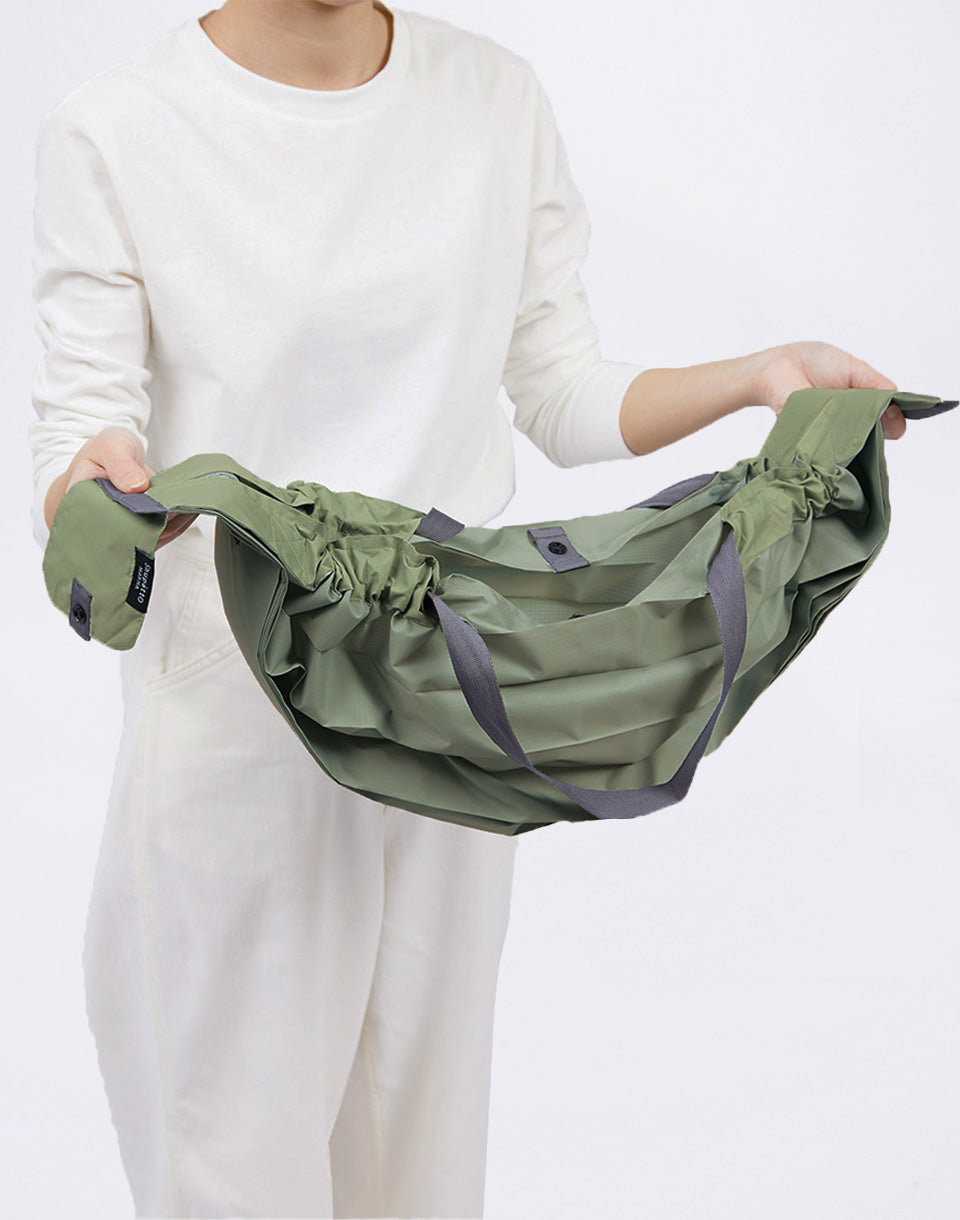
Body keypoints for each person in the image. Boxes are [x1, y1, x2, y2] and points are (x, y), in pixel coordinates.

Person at [28, 2, 905, 1216]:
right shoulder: (120, 129)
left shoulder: (493, 95)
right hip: (240, 716)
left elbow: (558, 385)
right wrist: (94, 486)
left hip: (452, 703)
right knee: (230, 1168)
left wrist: (758, 378)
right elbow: (81, 432)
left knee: (420, 1174)